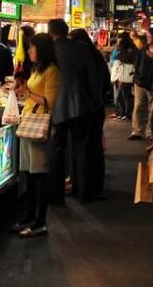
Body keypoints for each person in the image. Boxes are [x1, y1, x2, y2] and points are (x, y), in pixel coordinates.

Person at [48, 19, 103, 204]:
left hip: (57, 107)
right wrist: (96, 101)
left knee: (57, 151)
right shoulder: (82, 48)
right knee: (82, 150)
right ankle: (84, 192)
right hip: (82, 105)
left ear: (51, 32)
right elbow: (92, 77)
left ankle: (55, 195)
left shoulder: (50, 49)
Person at [14, 33, 60, 238]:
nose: (30, 51)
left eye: (32, 48)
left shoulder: (52, 71)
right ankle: (28, 216)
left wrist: (27, 92)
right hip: (27, 125)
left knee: (38, 174)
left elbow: (50, 101)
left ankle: (40, 221)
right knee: (28, 174)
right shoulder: (37, 69)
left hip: (39, 127)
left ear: (41, 49)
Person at [72, 27, 110, 200]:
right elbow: (106, 83)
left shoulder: (81, 59)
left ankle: (83, 188)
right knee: (94, 148)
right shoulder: (97, 57)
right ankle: (95, 187)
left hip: (83, 110)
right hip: (97, 109)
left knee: (83, 149)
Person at [131, 28, 153, 141]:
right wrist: (136, 78)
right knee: (139, 106)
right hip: (140, 82)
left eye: (150, 37)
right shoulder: (142, 50)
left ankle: (150, 132)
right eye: (147, 37)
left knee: (152, 109)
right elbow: (137, 64)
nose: (148, 39)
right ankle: (136, 130)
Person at [111, 34, 138, 121]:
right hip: (122, 76)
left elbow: (122, 60)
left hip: (127, 77)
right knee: (121, 96)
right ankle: (122, 113)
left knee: (126, 97)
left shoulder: (130, 53)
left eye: (119, 43)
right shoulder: (125, 52)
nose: (118, 44)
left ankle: (127, 114)